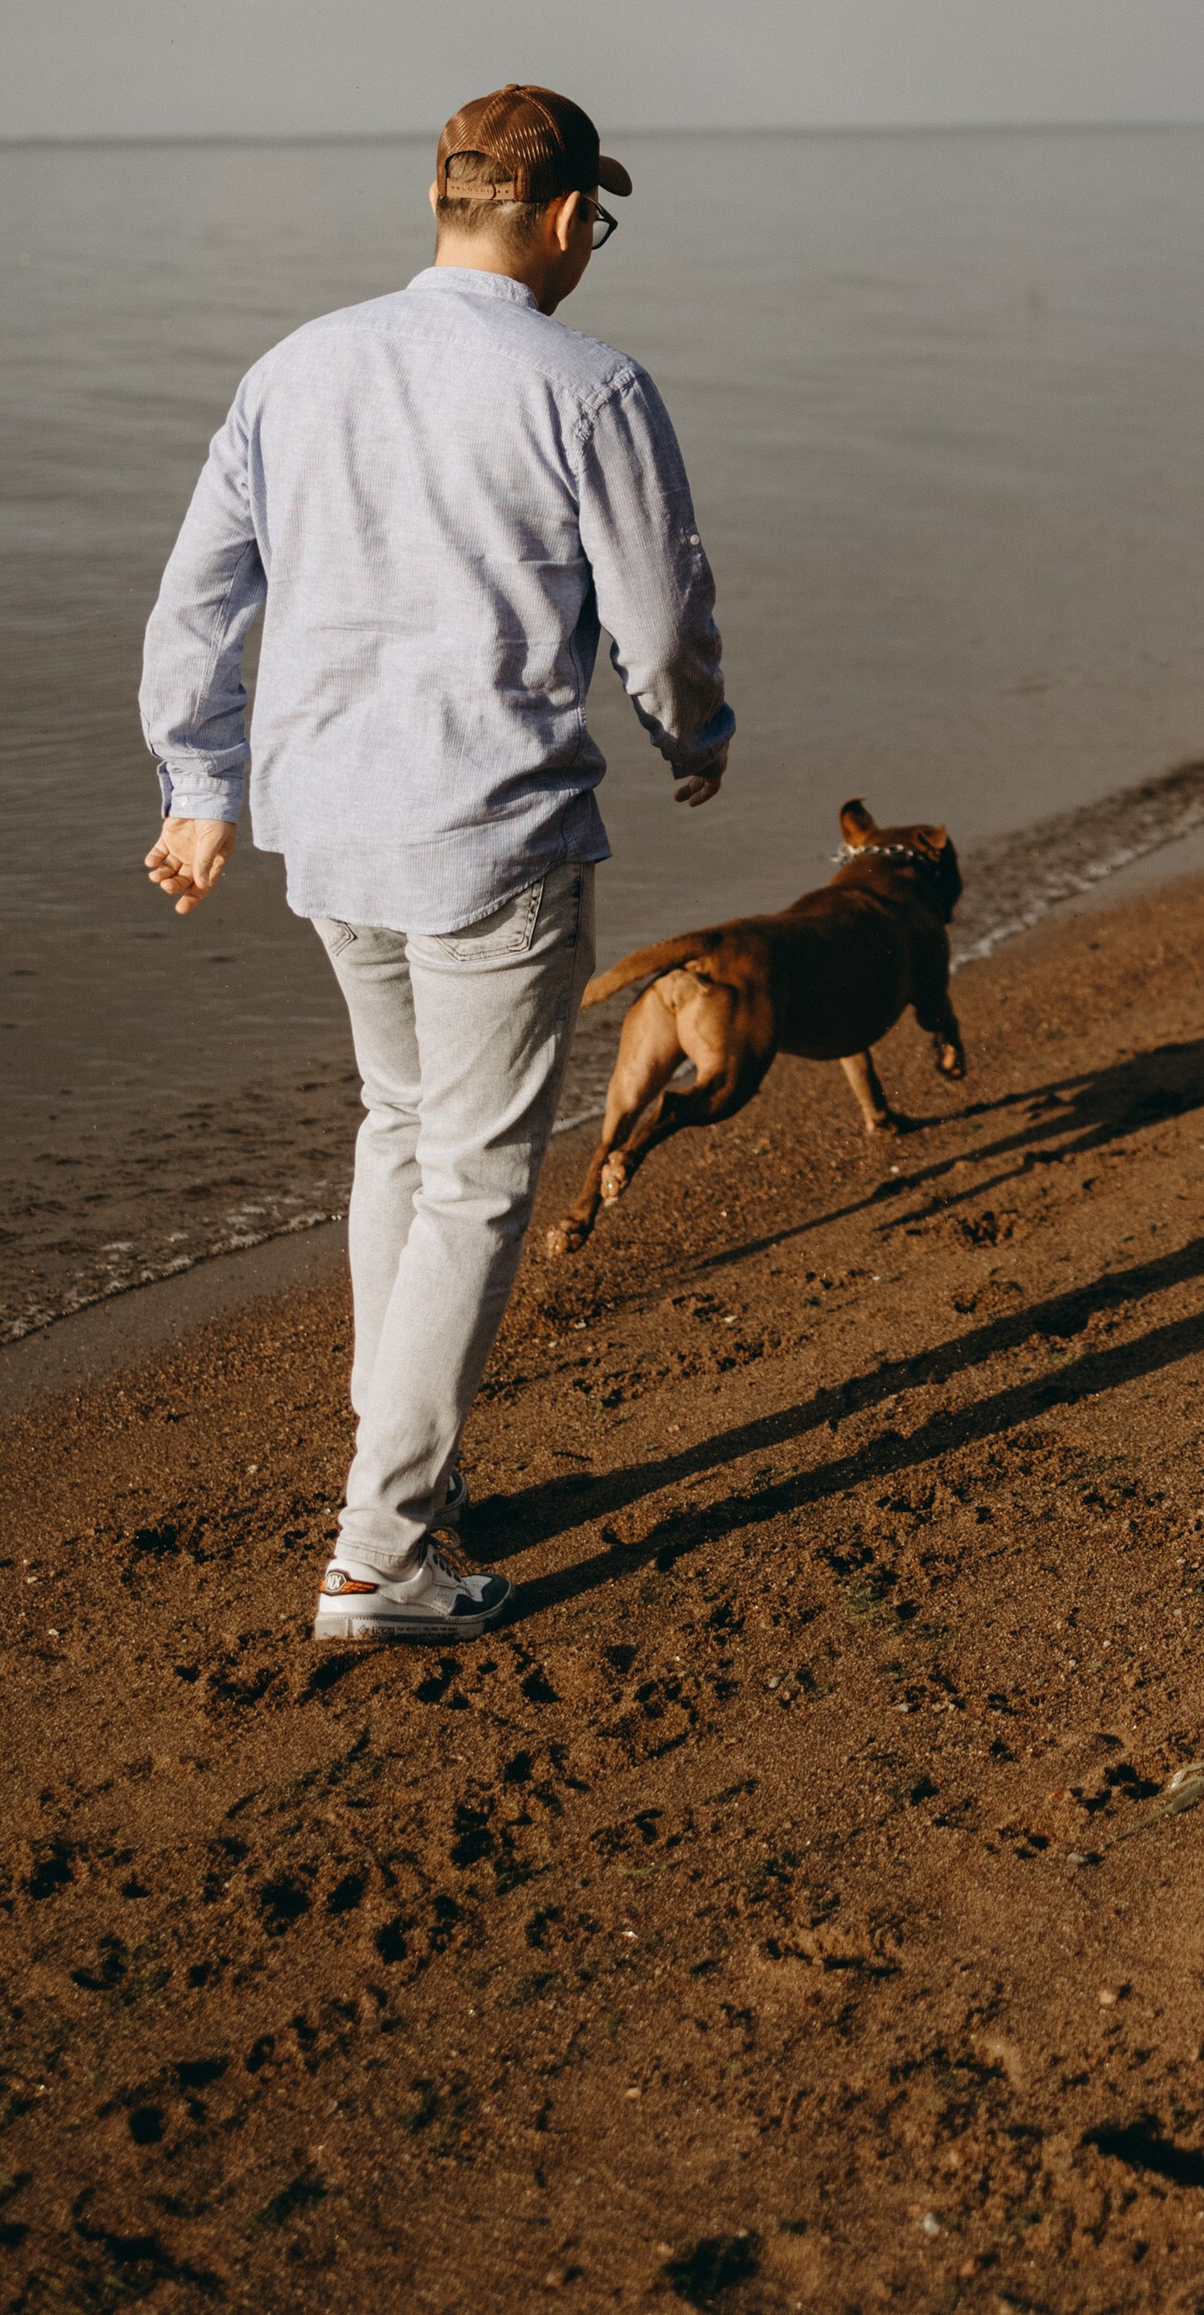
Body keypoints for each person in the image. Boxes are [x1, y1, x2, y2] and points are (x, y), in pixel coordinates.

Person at [137, 84, 733, 1644]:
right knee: (472, 1174)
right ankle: (383, 1549)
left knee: (401, 1130)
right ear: (555, 220)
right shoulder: (590, 387)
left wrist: (200, 781)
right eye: (591, 222)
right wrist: (694, 736)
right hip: (492, 833)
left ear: (439, 197)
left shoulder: (295, 367)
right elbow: (657, 626)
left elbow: (201, 596)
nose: (589, 247)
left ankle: (406, 1478)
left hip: (326, 828)